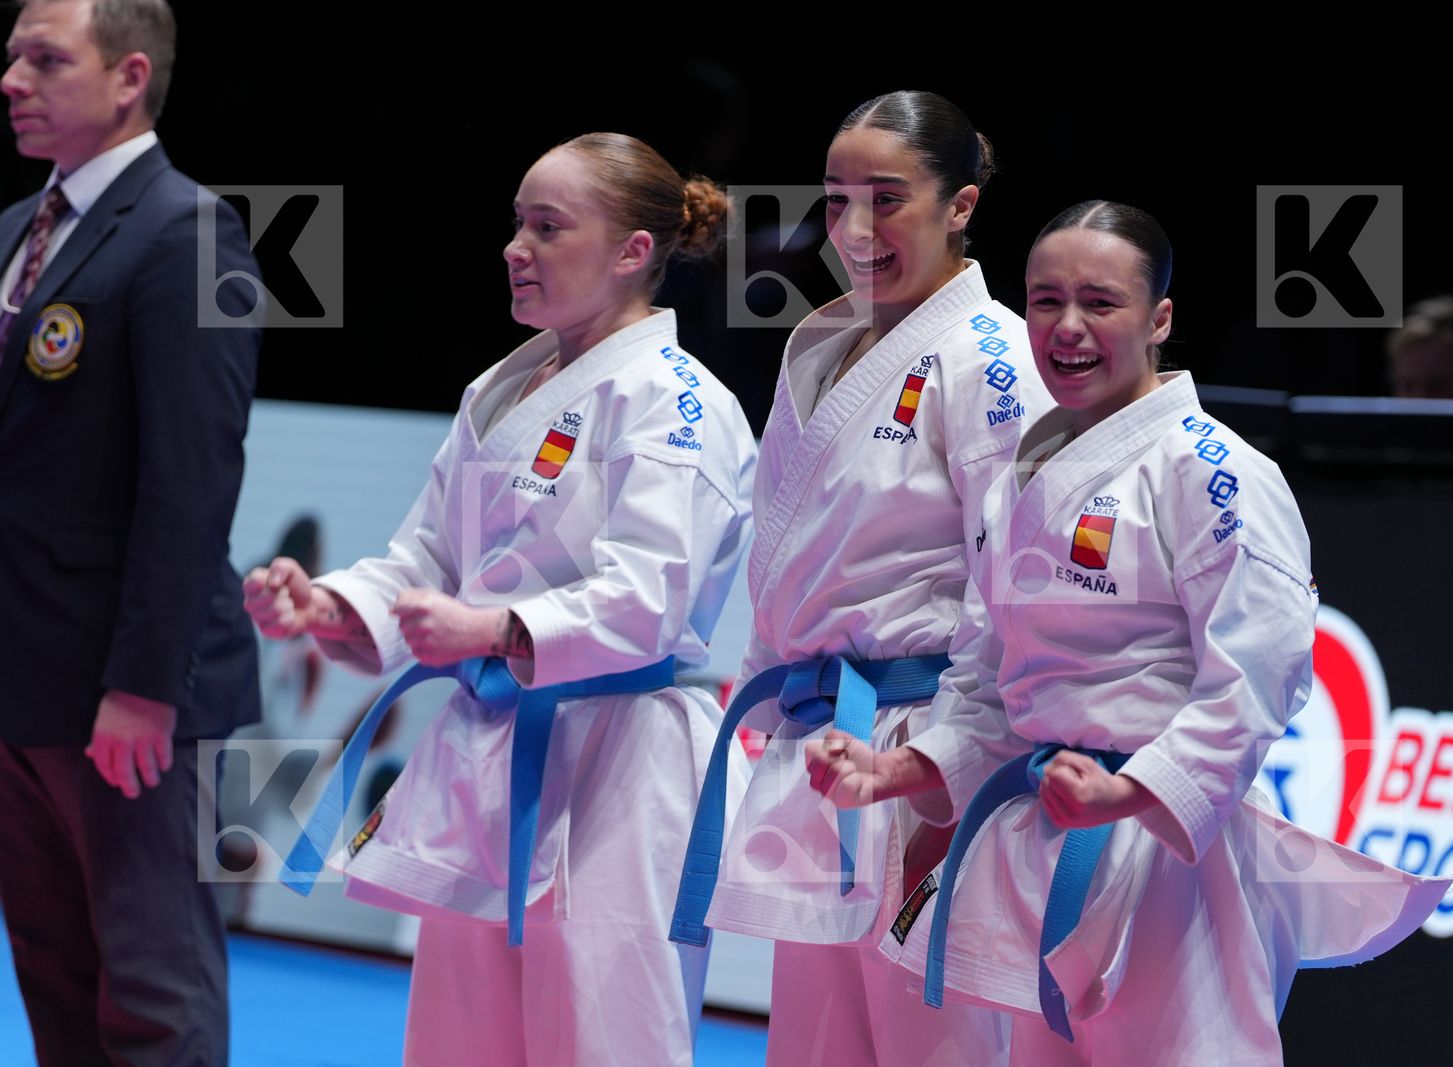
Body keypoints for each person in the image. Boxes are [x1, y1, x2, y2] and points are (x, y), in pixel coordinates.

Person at [806, 201, 1451, 1065]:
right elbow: (986, 675)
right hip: (1043, 833)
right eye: (1044, 300)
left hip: (1169, 859)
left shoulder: (1214, 473)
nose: (1067, 327)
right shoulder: (1020, 473)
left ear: (1160, 320)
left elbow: (1255, 680)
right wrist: (901, 768)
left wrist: (1133, 790)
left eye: (1099, 303)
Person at [243, 132, 756, 1067]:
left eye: (547, 227)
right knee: (458, 1040)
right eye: (517, 223)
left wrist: (489, 629)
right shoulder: (501, 386)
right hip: (494, 747)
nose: (515, 247)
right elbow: (424, 557)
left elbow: (649, 594)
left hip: (620, 763)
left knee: (611, 1043)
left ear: (632, 251)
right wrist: (326, 604)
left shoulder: (677, 402)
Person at [670, 90, 1048, 1066]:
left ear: (960, 204)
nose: (854, 228)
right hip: (823, 738)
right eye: (838, 200)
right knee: (811, 1041)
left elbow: (1018, 586)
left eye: (888, 199)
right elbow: (798, 540)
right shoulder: (828, 342)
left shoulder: (990, 358)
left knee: (934, 1044)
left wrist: (951, 771)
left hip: (922, 739)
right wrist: (764, 682)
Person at [0, 2, 260, 1064]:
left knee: (155, 994)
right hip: (24, 677)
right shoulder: (18, 229)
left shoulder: (191, 231)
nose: (13, 78)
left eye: (45, 58)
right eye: (11, 54)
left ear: (128, 77)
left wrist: (146, 683)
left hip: (131, 691)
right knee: (57, 980)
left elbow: (192, 478)